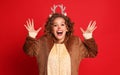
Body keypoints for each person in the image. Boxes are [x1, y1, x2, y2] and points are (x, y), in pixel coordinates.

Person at [23, 4, 98, 75]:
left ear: (67, 28)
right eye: (55, 25)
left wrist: (88, 37)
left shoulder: (75, 42)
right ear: (51, 29)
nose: (59, 27)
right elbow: (28, 51)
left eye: (62, 24)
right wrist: (31, 37)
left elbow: (92, 52)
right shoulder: (43, 42)